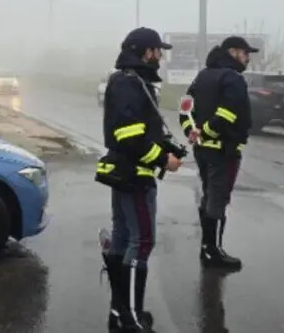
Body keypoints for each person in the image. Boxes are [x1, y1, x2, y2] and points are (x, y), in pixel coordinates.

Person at [96, 27, 187, 332]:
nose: (160, 55)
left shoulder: (133, 81)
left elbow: (140, 131)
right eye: (157, 50)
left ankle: (120, 312)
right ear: (146, 51)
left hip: (131, 173)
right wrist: (164, 160)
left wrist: (167, 146)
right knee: (142, 241)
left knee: (123, 238)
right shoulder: (129, 83)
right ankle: (132, 317)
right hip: (134, 176)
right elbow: (128, 136)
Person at [179, 36, 258, 271]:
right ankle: (212, 252)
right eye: (245, 53)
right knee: (218, 200)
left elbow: (185, 108)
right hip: (224, 151)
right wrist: (208, 132)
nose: (248, 59)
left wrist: (193, 132)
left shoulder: (202, 75)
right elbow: (228, 113)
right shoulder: (232, 78)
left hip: (203, 151)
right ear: (233, 52)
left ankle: (208, 247)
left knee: (209, 197)